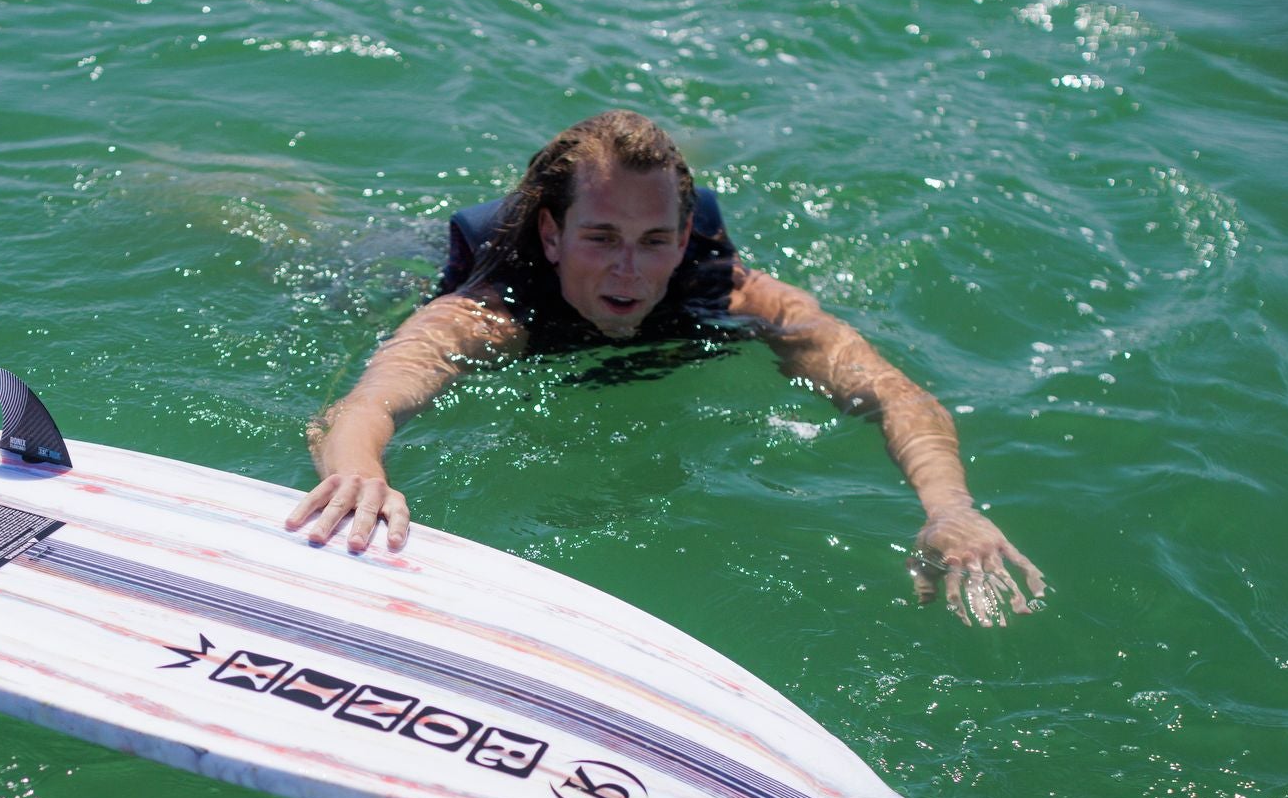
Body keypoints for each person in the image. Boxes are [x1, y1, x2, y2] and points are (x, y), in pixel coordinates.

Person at [284, 110, 1046, 628]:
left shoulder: (744, 298)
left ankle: (703, 143)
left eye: (653, 241)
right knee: (302, 239)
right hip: (384, 275)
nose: (627, 271)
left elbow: (893, 394)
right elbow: (361, 409)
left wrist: (949, 507)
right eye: (602, 237)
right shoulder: (489, 313)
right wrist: (361, 475)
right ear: (552, 235)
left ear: (685, 241)